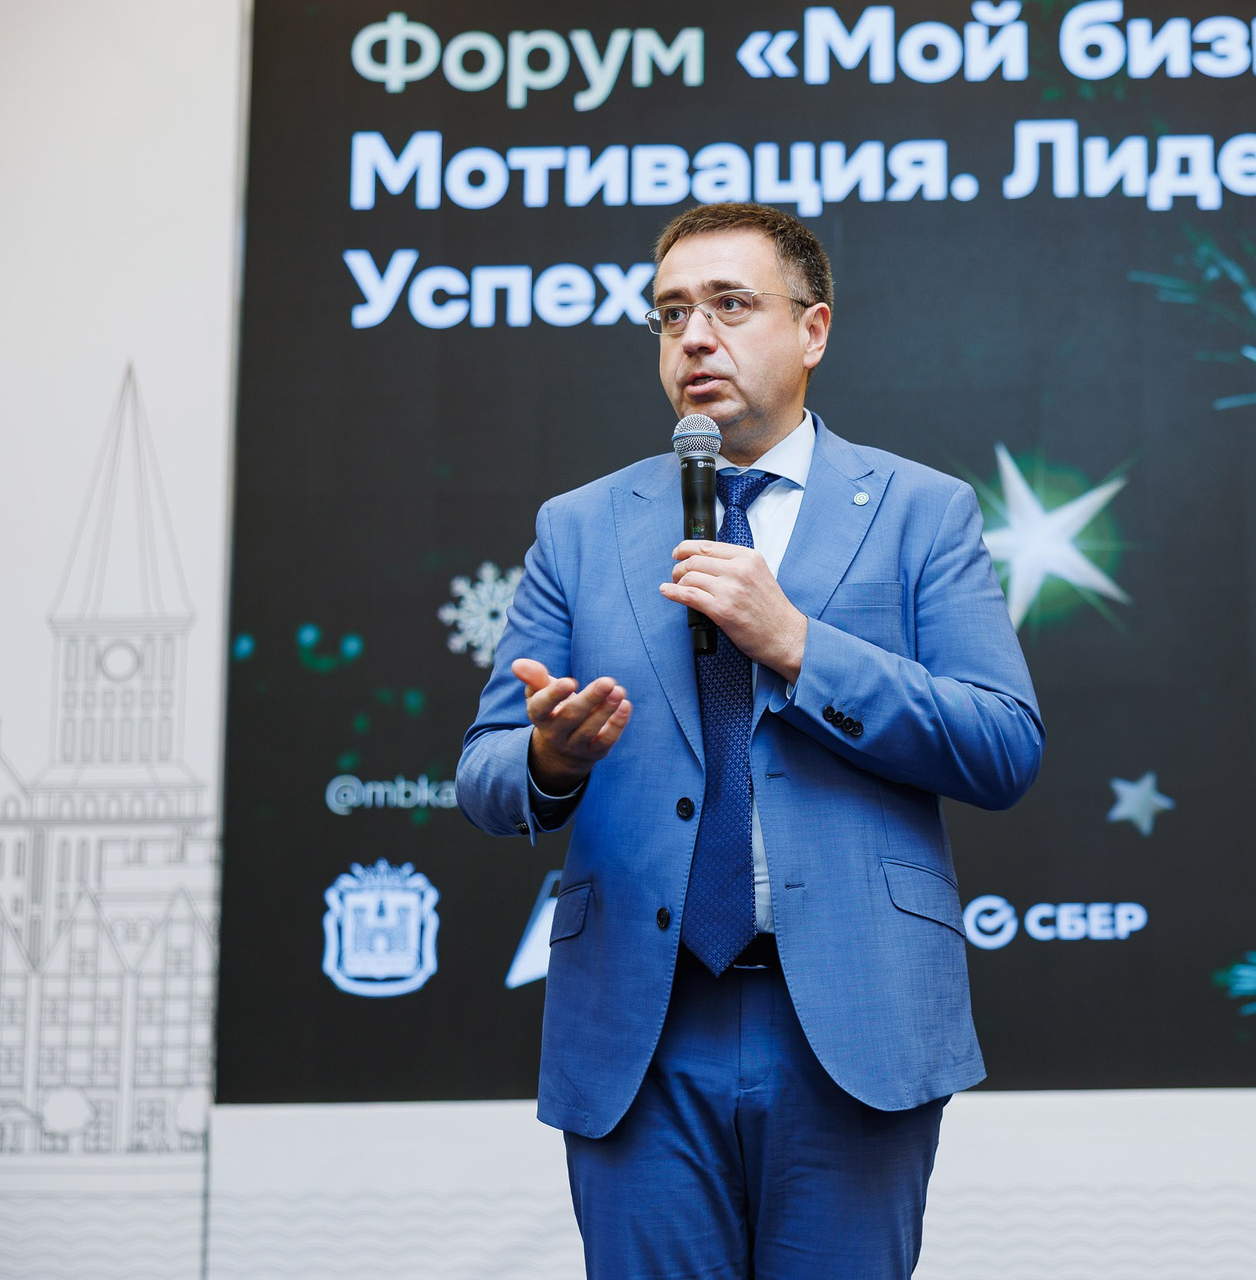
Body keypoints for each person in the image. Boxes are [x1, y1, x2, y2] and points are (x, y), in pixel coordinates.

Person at [456, 202, 1044, 1279]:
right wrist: (550, 760)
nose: (695, 337)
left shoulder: (920, 510)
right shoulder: (578, 528)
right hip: (642, 1025)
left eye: (730, 305)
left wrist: (800, 647)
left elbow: (1003, 744)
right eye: (672, 312)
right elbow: (487, 771)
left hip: (850, 1020)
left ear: (812, 330)